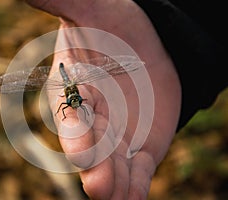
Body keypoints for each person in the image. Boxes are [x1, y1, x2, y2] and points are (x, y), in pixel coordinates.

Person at [24, 0, 227, 199]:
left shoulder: (79, 94)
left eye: (75, 99)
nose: (75, 101)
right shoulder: (68, 96)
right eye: (74, 100)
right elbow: (63, 106)